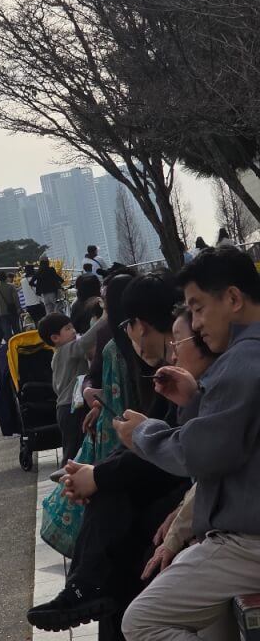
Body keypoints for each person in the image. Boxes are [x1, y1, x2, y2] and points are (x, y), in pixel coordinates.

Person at [29, 273, 190, 634]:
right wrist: (97, 473)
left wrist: (98, 476)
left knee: (114, 508)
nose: (179, 345)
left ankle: (83, 586)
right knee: (112, 502)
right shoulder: (179, 370)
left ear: (137, 324)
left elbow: (180, 450)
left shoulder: (206, 369)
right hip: (183, 487)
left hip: (201, 499)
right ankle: (84, 586)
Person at [119, 247, 260, 641]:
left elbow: (198, 456)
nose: (195, 324)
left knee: (140, 621)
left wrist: (142, 434)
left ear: (233, 298)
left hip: (247, 544)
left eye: (198, 309)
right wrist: (196, 399)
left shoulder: (241, 362)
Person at [38, 312, 98, 465]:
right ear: (55, 338)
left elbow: (55, 386)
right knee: (74, 450)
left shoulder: (57, 356)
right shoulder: (68, 349)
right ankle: (66, 475)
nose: (73, 331)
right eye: (67, 328)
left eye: (72, 327)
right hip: (72, 408)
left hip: (64, 408)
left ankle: (70, 472)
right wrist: (104, 319)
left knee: (73, 446)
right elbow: (85, 342)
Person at [0, 271, 22, 341]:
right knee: (16, 328)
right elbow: (16, 298)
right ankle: (18, 343)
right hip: (13, 311)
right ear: (6, 278)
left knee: (7, 331)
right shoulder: (11, 286)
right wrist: (18, 308)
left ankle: (9, 344)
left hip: (2, 312)